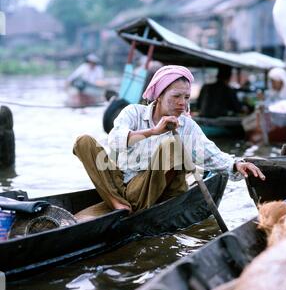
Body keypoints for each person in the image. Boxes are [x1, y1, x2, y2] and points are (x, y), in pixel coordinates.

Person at [73, 65, 265, 214]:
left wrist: (236, 164)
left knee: (171, 145)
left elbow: (208, 152)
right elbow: (115, 141)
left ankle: (129, 205)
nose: (183, 103)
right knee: (83, 141)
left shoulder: (186, 125)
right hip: (120, 184)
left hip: (149, 193)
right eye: (176, 96)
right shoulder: (133, 112)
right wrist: (154, 131)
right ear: (159, 95)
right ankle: (117, 202)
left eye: (187, 97)